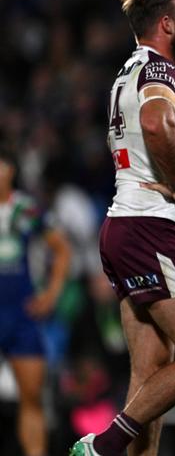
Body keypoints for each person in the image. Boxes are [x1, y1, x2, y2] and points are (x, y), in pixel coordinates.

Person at [70, 0, 175, 455]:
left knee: (151, 376)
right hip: (150, 228)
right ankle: (102, 447)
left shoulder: (125, 72)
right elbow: (157, 121)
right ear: (165, 23)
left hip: (122, 225)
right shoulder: (161, 70)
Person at [0, 148, 71, 456]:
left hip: (21, 313)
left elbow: (62, 250)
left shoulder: (26, 210)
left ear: (11, 170)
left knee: (31, 396)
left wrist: (51, 294)